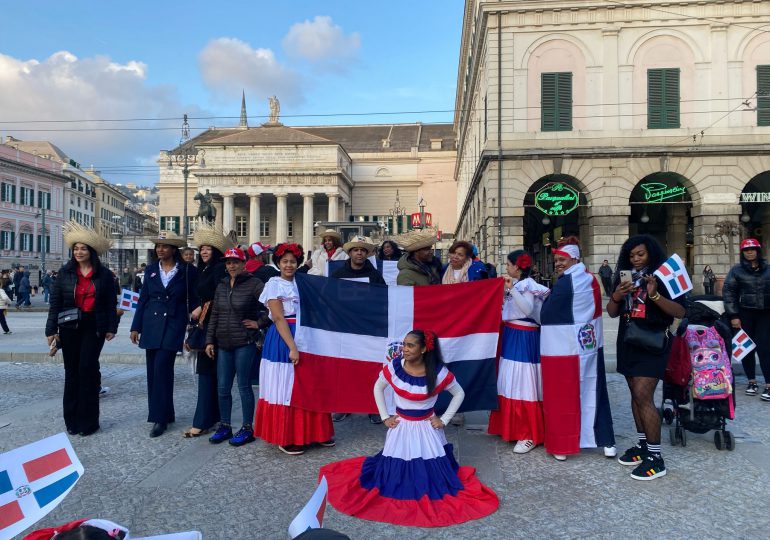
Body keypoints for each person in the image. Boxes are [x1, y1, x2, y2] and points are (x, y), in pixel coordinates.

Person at [319, 329, 499, 527]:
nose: (404, 349)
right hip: (401, 428)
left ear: (423, 349)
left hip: (427, 429)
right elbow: (378, 387)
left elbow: (459, 394)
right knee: (393, 474)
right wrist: (385, 416)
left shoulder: (439, 372)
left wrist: (444, 420)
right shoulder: (395, 367)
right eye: (404, 344)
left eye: (410, 345)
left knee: (431, 477)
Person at [607, 234, 685, 480]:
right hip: (629, 340)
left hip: (653, 342)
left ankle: (655, 458)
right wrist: (618, 295)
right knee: (635, 395)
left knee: (644, 395)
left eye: (640, 254)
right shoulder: (625, 277)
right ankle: (643, 446)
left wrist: (654, 295)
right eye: (631, 255)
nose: (636, 259)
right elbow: (611, 312)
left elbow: (680, 310)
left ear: (651, 252)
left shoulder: (663, 276)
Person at [539, 236, 616, 461]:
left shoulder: (565, 283)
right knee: (594, 389)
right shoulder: (590, 279)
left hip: (564, 347)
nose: (558, 264)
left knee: (562, 393)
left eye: (562, 259)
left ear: (573, 258)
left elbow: (547, 314)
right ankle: (606, 440)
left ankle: (563, 443)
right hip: (589, 343)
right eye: (556, 261)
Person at [254, 243, 335, 455]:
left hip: (305, 334)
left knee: (308, 383)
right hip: (284, 338)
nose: (289, 265)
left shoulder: (302, 282)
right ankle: (287, 435)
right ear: (278, 264)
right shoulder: (273, 284)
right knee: (286, 386)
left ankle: (316, 433)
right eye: (285, 262)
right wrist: (292, 347)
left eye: (292, 261)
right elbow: (279, 317)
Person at [45, 222, 118, 437]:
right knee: (72, 372)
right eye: (76, 248)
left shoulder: (103, 275)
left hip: (93, 325)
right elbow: (55, 303)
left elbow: (109, 303)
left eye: (83, 248)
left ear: (91, 251)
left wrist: (111, 327)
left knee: (87, 369)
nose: (79, 252)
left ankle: (89, 421)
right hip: (69, 325)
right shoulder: (65, 273)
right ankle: (72, 420)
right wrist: (51, 330)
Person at [130, 231, 199, 438]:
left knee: (162, 368)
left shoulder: (187, 271)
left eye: (165, 246)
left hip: (174, 324)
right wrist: (136, 327)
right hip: (151, 325)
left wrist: (193, 315)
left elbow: (195, 297)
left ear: (173, 249)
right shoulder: (151, 271)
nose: (160, 249)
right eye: (158, 246)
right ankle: (165, 413)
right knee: (154, 372)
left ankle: (159, 418)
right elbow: (143, 300)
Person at [205, 247, 268, 446]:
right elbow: (214, 314)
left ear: (243, 263)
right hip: (223, 343)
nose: (231, 265)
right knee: (223, 387)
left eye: (235, 262)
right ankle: (225, 425)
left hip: (244, 342)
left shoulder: (254, 283)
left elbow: (273, 305)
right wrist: (209, 340)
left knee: (243, 386)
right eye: (228, 262)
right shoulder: (222, 285)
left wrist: (259, 323)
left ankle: (247, 427)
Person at [488, 250, 550, 453]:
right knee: (511, 382)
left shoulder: (527, 285)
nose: (506, 268)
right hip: (513, 335)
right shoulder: (518, 285)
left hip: (524, 337)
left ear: (517, 266)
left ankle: (529, 433)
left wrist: (511, 290)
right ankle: (514, 428)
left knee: (524, 383)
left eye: (508, 264)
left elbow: (527, 310)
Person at [182, 224, 233, 438]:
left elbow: (218, 296)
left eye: (208, 248)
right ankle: (213, 417)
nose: (203, 251)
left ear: (216, 251)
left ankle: (202, 421)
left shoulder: (218, 269)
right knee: (210, 374)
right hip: (209, 324)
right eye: (201, 248)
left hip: (214, 327)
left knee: (206, 374)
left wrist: (201, 308)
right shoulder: (205, 269)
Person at [330, 236, 386, 424]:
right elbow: (331, 300)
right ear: (350, 252)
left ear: (367, 253)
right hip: (345, 329)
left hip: (368, 328)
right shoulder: (337, 274)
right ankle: (344, 405)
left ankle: (373, 407)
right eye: (356, 250)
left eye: (363, 250)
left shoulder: (375, 275)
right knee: (345, 368)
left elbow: (382, 299)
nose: (359, 253)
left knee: (370, 368)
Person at [723, 238, 770, 400]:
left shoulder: (768, 270)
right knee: (746, 348)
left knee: (765, 348)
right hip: (744, 315)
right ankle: (751, 381)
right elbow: (729, 293)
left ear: (758, 251)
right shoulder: (736, 271)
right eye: (746, 250)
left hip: (765, 314)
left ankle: (769, 384)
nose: (749, 252)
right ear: (742, 253)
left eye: (752, 249)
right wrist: (733, 315)